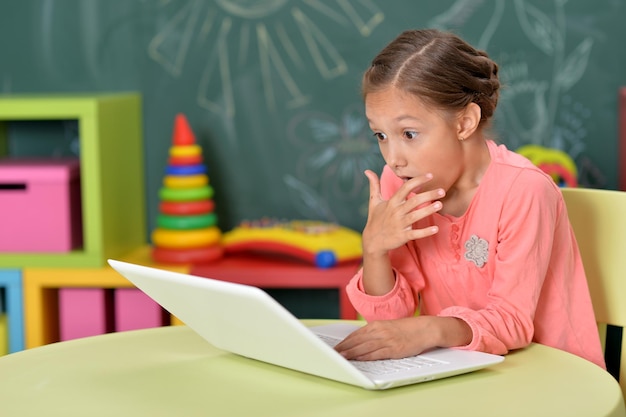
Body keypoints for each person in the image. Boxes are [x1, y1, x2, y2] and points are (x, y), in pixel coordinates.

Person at [334, 28, 605, 369]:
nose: (393, 157)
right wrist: (374, 250)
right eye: (381, 135)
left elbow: (512, 321)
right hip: (461, 370)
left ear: (464, 122)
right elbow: (390, 319)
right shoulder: (400, 184)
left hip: (550, 375)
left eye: (409, 134)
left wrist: (427, 328)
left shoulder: (524, 191)